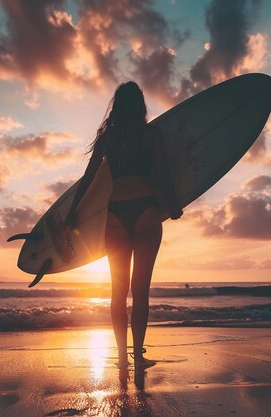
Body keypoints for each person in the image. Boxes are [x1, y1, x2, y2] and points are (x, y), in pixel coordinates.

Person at [65, 81, 182, 370]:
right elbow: (163, 174)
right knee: (141, 290)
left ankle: (120, 357)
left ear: (116, 105)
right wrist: (174, 204)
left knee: (118, 290)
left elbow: (90, 176)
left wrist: (73, 211)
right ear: (140, 104)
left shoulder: (108, 137)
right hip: (146, 209)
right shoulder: (150, 134)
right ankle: (138, 356)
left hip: (116, 213)